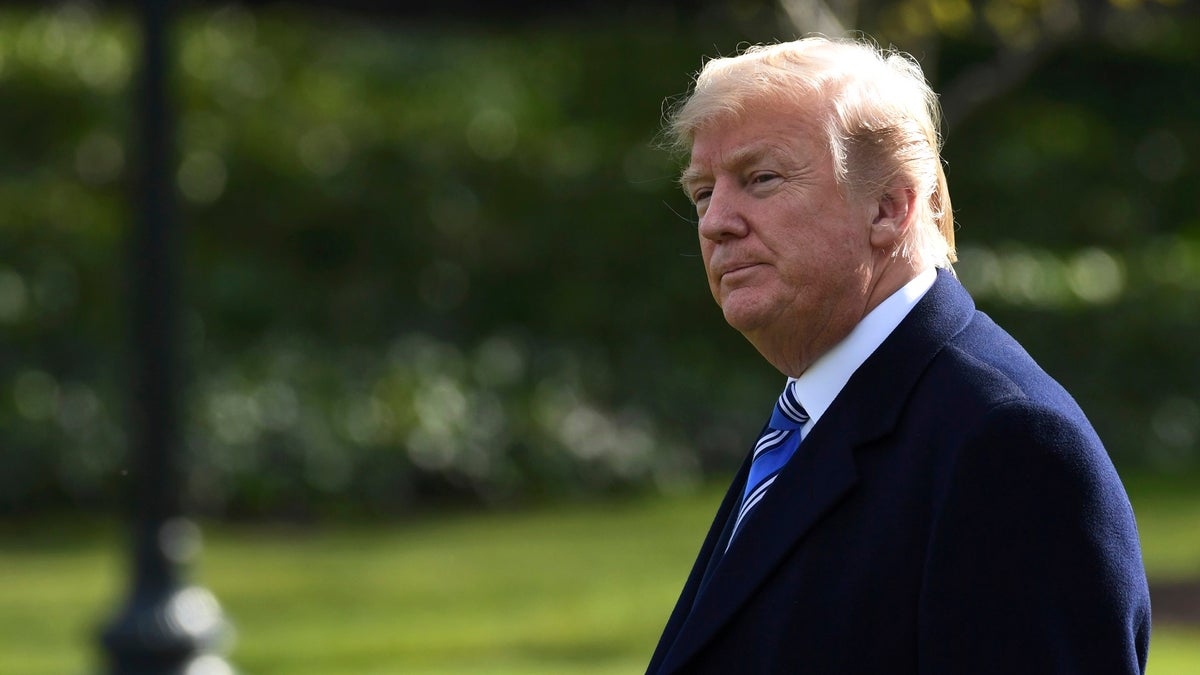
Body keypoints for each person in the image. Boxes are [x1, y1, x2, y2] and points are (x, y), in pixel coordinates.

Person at [646, 36, 1151, 674]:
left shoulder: (1008, 444)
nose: (717, 221)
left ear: (890, 207)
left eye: (761, 179)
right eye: (702, 194)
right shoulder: (816, 412)